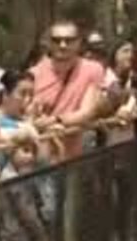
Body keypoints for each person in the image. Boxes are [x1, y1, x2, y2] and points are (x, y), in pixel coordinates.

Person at [30, 20, 104, 159]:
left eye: (69, 40)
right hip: (41, 157)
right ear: (49, 43)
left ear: (79, 42)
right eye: (56, 40)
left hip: (77, 155)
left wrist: (56, 121)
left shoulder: (93, 69)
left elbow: (87, 111)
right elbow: (27, 114)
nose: (62, 45)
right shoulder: (34, 74)